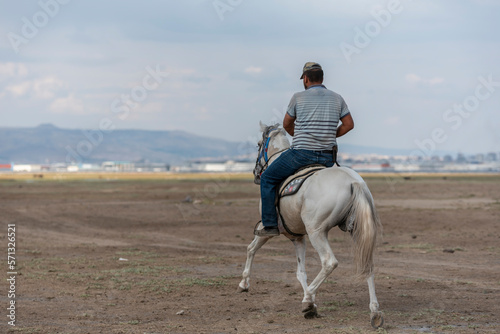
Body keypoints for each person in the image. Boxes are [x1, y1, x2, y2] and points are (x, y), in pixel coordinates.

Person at [255, 62, 355, 237]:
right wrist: (329, 136)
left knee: (267, 178)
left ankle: (269, 224)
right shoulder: (337, 98)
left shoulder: (298, 97)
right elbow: (349, 125)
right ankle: (346, 217)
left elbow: (286, 123)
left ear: (306, 79)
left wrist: (299, 136)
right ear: (322, 78)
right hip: (327, 158)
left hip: (301, 155)